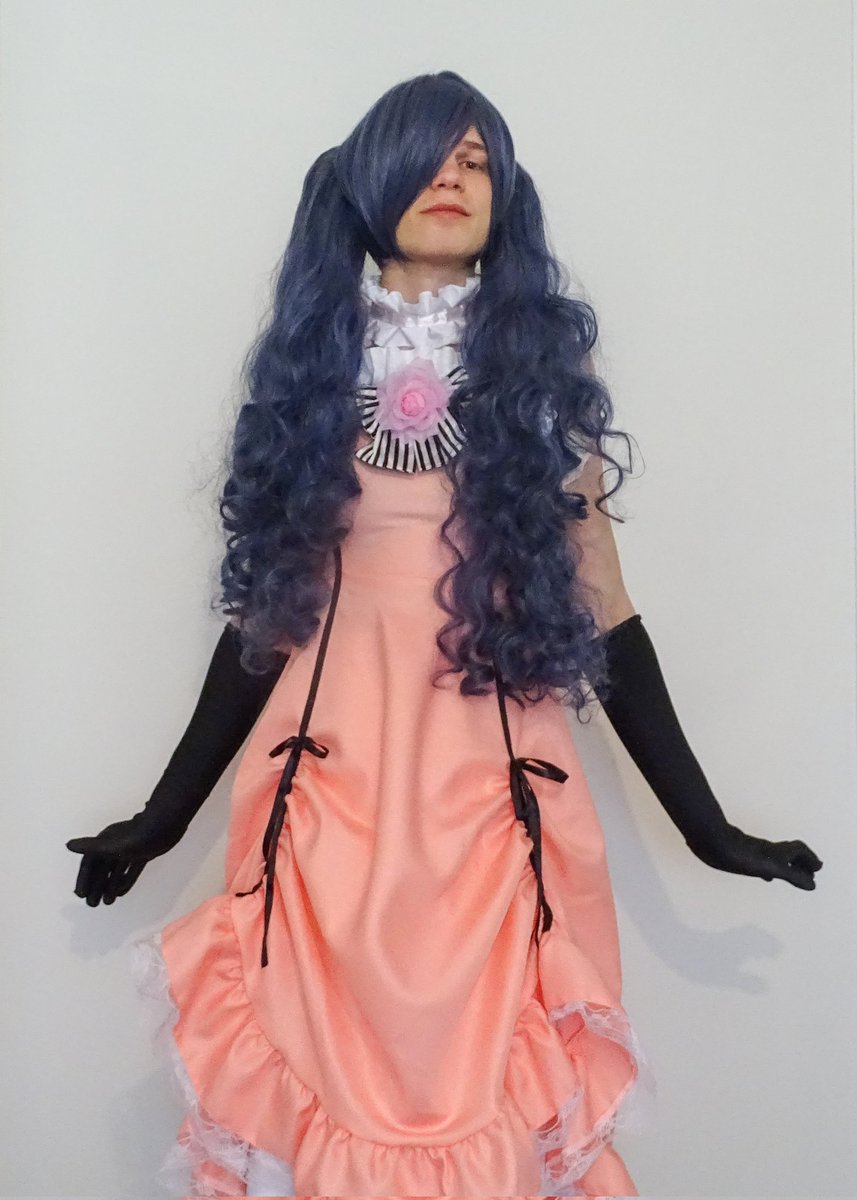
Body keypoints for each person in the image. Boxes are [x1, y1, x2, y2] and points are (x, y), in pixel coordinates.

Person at [66, 70, 823, 1198]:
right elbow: (267, 619)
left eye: (477, 161)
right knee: (323, 1078)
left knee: (486, 1090)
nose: (454, 176)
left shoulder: (533, 384)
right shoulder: (313, 378)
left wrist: (706, 827)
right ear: (372, 180)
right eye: (430, 154)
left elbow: (602, 607)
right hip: (326, 802)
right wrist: (162, 816)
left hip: (492, 805)